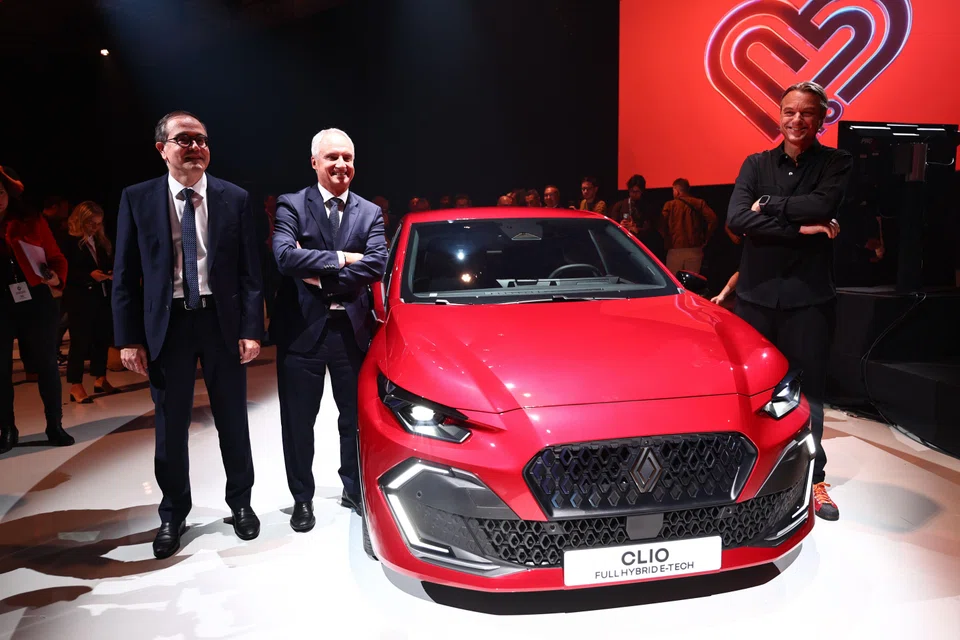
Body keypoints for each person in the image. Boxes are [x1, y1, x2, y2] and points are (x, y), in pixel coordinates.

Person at [112, 110, 264, 558]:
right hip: (168, 325)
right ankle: (173, 512)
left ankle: (241, 503)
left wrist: (252, 328)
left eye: (201, 139)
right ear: (162, 149)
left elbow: (251, 272)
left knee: (233, 420)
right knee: (170, 425)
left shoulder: (233, 197)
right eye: (184, 139)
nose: (196, 146)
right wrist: (128, 338)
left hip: (221, 321)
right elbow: (124, 274)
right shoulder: (137, 198)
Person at [727, 81, 852, 521]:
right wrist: (802, 228)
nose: (796, 120)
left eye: (806, 113)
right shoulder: (755, 163)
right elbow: (736, 218)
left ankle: (815, 479)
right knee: (749, 395)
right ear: (778, 116)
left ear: (822, 118)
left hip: (808, 301)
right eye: (789, 112)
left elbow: (824, 202)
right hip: (755, 300)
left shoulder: (837, 162)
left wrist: (767, 206)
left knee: (810, 395)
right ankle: (746, 483)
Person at [271, 128, 387, 532]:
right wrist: (342, 258)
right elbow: (285, 257)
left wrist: (320, 275)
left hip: (351, 334)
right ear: (315, 162)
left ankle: (354, 488)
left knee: (354, 420)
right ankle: (302, 498)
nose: (342, 165)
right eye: (333, 157)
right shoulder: (292, 204)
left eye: (348, 158)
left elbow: (377, 265)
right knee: (298, 422)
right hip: (302, 332)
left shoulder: (369, 211)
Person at [0, 166, 73, 454]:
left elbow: (57, 258)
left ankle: (54, 424)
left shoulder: (31, 220)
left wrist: (55, 277)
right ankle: (7, 428)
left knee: (46, 365)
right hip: (1, 306)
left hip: (35, 300)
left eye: (1, 192)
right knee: (1, 370)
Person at [64, 201, 116, 403]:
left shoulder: (100, 241)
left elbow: (105, 263)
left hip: (101, 294)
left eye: (98, 223)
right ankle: (75, 384)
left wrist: (108, 273)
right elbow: (66, 270)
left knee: (102, 337)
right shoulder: (69, 241)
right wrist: (88, 275)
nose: (95, 227)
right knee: (80, 340)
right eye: (91, 223)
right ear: (80, 221)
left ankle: (100, 377)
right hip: (80, 297)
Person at [661, 178, 717, 274]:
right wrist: (706, 238)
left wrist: (666, 237)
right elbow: (713, 219)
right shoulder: (699, 203)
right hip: (694, 249)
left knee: (675, 283)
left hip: (674, 249)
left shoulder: (669, 205)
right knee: (692, 283)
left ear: (677, 191)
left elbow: (661, 224)